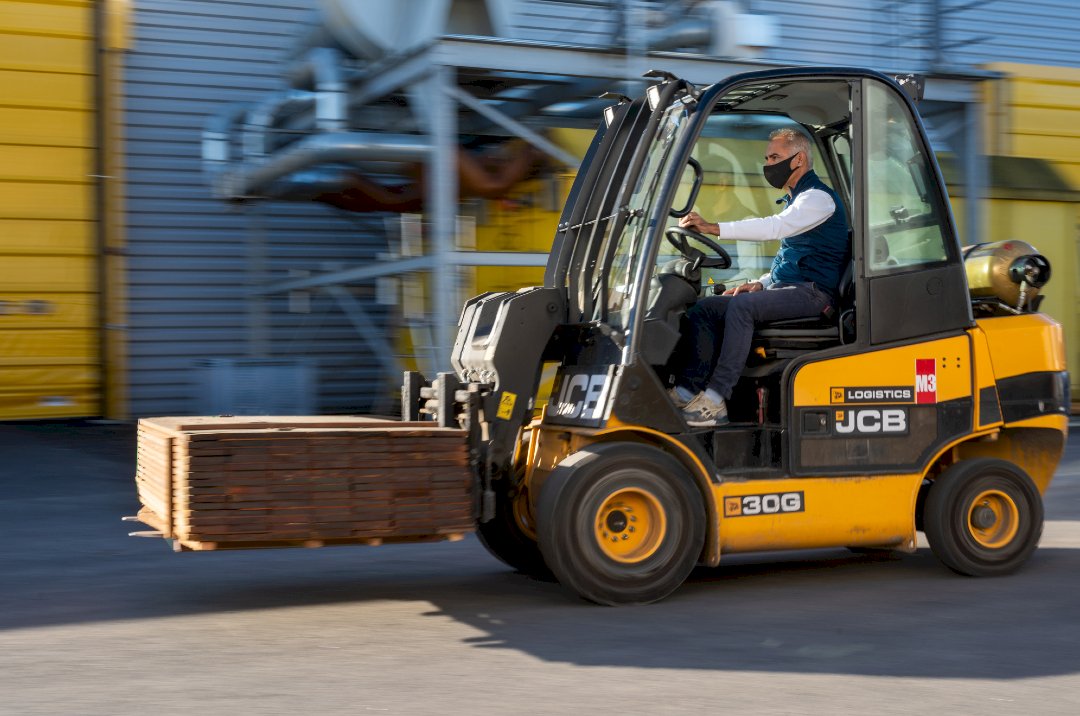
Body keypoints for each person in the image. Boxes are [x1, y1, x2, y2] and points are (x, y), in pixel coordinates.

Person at [669, 127, 850, 427]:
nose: (768, 165)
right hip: (789, 288)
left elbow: (773, 228)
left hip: (813, 294)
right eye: (767, 158)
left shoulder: (818, 199)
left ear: (799, 160)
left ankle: (715, 400)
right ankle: (687, 390)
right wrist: (762, 284)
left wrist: (714, 228)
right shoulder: (797, 201)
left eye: (776, 157)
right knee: (707, 308)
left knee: (743, 308)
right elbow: (787, 258)